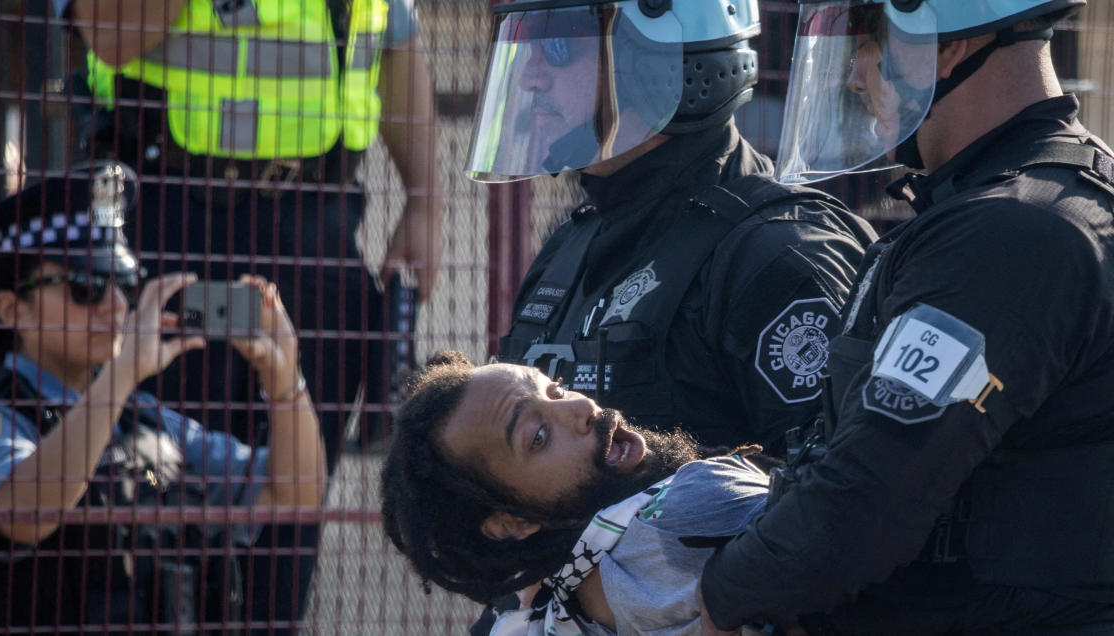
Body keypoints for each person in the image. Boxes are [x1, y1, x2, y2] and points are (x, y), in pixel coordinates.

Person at [699, 1, 1114, 634]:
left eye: (866, 42)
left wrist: (724, 595)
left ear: (949, 44)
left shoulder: (1011, 235)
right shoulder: (1022, 205)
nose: (854, 75)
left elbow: (864, 502)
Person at [61, 0, 442, 627]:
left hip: (314, 234)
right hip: (169, 220)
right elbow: (107, 36)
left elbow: (396, 39)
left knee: (288, 525)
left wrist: (424, 202)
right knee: (154, 485)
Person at [0, 163, 326, 633]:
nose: (116, 304)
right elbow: (23, 512)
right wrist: (121, 375)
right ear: (12, 309)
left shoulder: (141, 418)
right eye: (87, 286)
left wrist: (284, 378)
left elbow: (293, 494)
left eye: (124, 283)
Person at [468, 0, 877, 454]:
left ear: (656, 64)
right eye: (527, 47)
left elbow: (841, 498)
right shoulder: (572, 245)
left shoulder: (777, 256)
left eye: (559, 47)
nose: (529, 76)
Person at [380, 351, 771, 635]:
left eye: (557, 391)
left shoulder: (534, 612)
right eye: (538, 437)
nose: (583, 406)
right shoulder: (688, 510)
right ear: (511, 522)